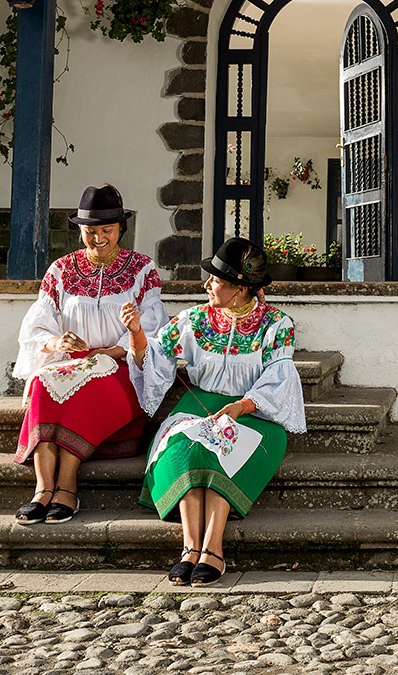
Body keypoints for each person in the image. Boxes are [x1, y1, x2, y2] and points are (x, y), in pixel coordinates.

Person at [120, 236, 305, 586]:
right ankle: (190, 549)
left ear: (239, 288)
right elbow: (156, 359)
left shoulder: (277, 324)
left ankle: (213, 549)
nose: (207, 285)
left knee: (224, 447)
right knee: (187, 446)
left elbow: (279, 381)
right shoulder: (193, 320)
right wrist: (136, 335)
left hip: (255, 412)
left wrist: (239, 406)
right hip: (200, 405)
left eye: (216, 280)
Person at [11, 184, 168, 525]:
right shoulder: (61, 270)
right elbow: (37, 326)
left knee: (88, 388)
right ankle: (42, 489)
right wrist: (57, 344)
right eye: (90, 231)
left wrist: (112, 349)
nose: (98, 238)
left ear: (120, 229)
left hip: (120, 367)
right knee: (41, 384)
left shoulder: (141, 269)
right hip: (69, 364)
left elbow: (152, 331)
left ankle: (66, 486)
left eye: (106, 231)